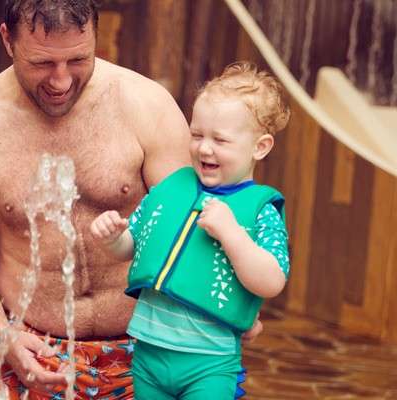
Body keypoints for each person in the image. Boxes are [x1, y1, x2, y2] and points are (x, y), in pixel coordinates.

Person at [0, 1, 261, 399]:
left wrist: (238, 306)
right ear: (8, 40)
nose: (60, 81)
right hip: (29, 343)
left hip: (150, 346)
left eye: (78, 59)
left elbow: (197, 228)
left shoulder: (146, 105)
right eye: (42, 63)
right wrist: (6, 337)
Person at [90, 61, 291, 399]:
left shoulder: (260, 210)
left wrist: (231, 234)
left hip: (209, 364)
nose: (204, 147)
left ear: (260, 147)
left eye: (221, 140)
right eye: (197, 135)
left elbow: (272, 281)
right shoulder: (172, 189)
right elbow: (134, 246)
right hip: (149, 355)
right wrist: (113, 239)